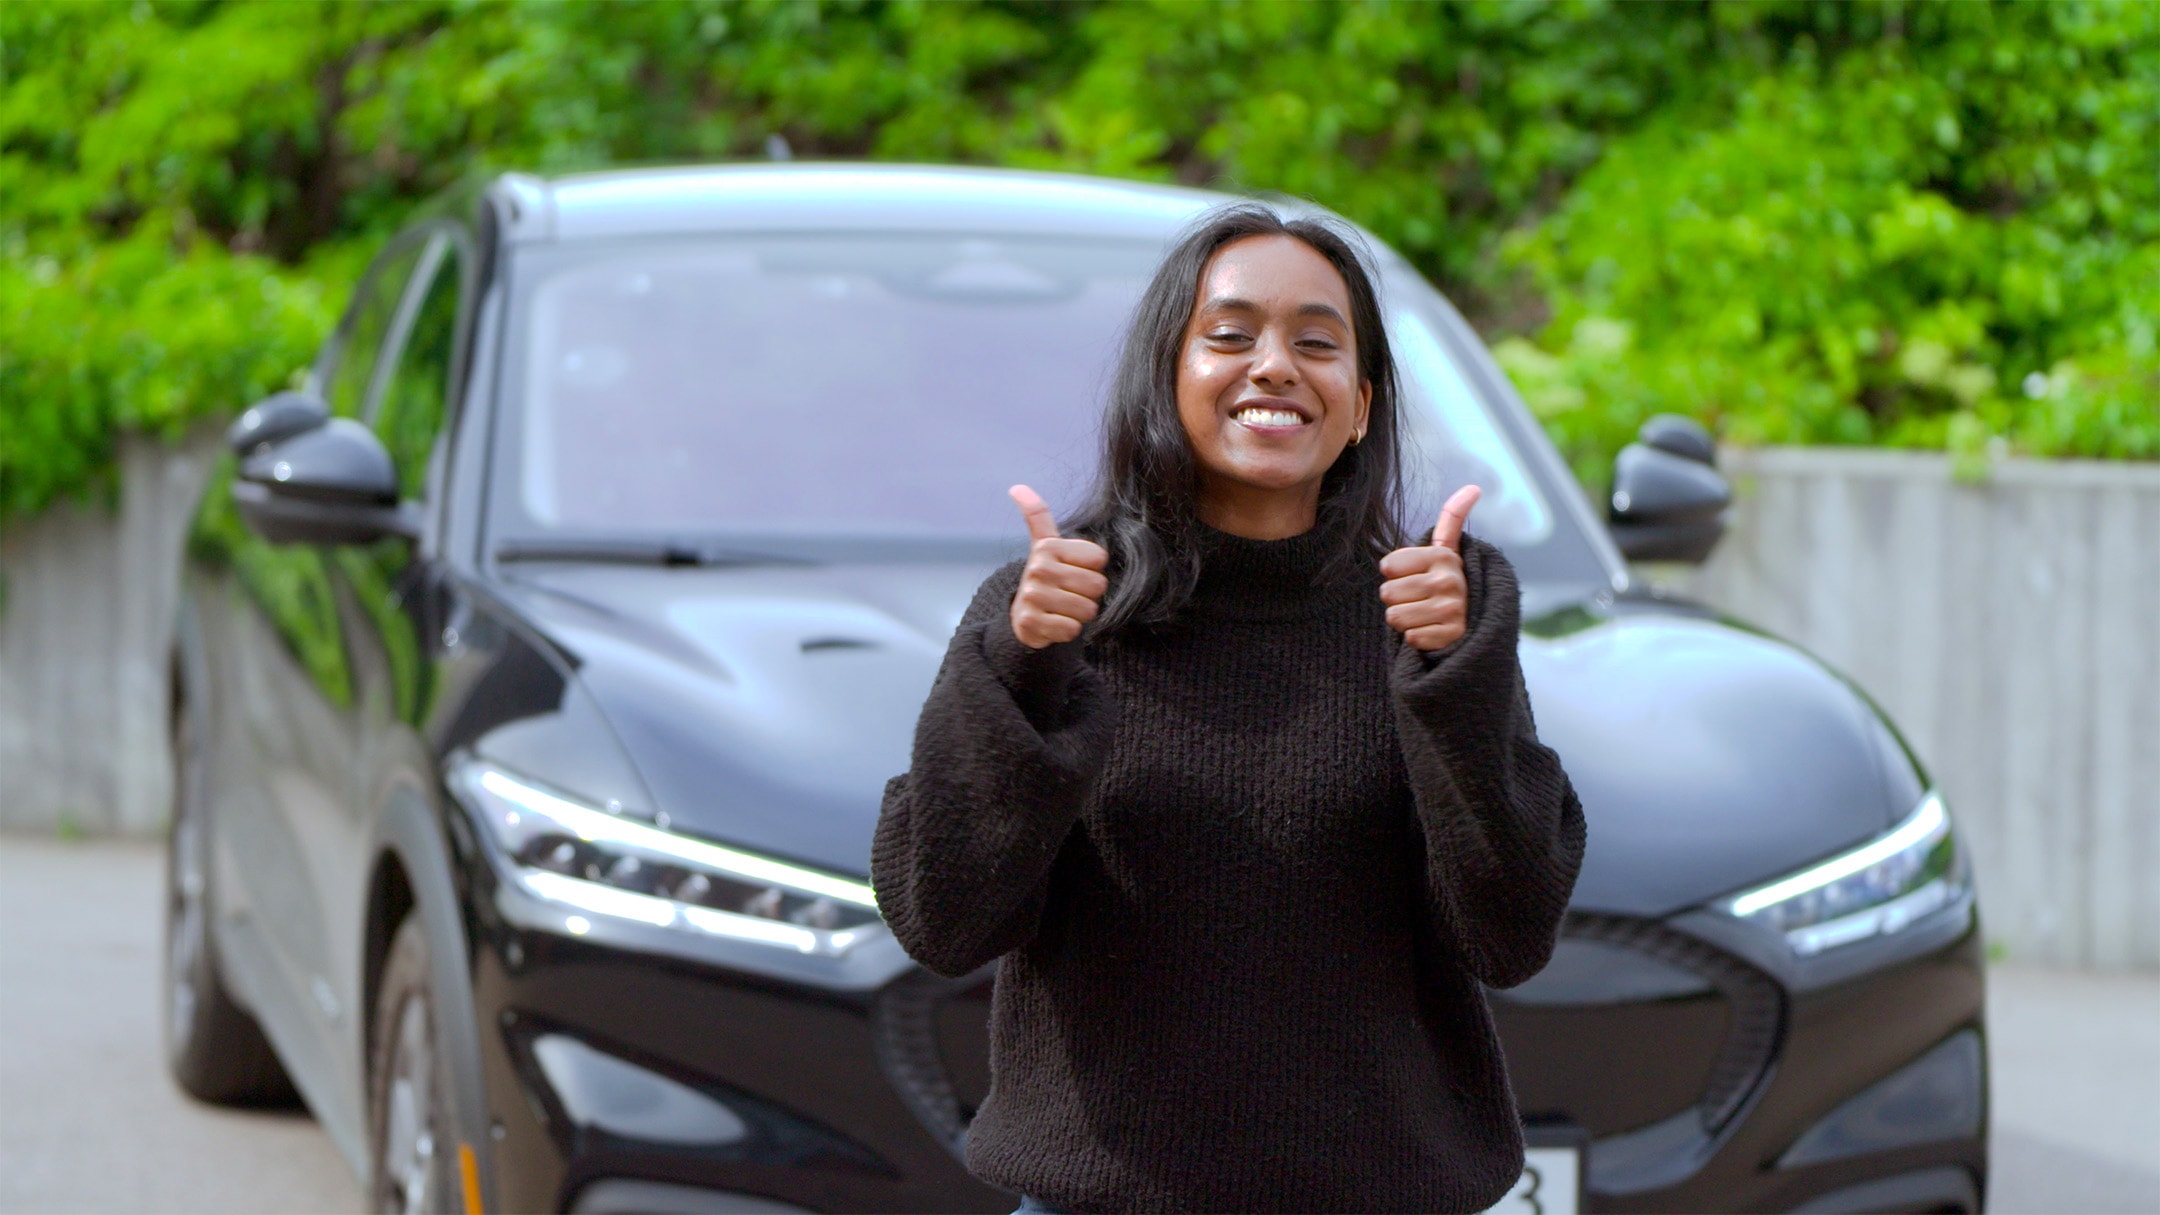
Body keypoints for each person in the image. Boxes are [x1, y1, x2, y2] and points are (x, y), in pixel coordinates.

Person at [871, 203, 1586, 1214]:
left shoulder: (1430, 611)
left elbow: (1511, 936)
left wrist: (1450, 674)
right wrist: (1020, 666)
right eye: (1231, 334)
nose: (1275, 366)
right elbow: (942, 918)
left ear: (1364, 403)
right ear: (1169, 374)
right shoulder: (1056, 607)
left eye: (1317, 342)